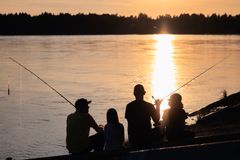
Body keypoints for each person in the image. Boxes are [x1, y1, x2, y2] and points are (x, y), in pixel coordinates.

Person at [125, 84, 162, 148]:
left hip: (133, 138)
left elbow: (129, 122)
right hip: (146, 137)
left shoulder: (129, 106)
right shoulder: (149, 106)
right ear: (144, 93)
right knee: (160, 129)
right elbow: (156, 119)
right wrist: (158, 106)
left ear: (134, 94)